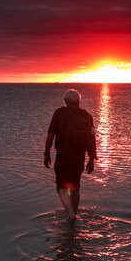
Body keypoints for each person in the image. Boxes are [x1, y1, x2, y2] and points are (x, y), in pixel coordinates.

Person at [44, 89, 98, 223]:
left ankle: (70, 213)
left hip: (63, 155)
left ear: (66, 101)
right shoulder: (87, 116)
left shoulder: (59, 113)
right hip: (79, 157)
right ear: (78, 101)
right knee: (75, 187)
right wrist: (91, 159)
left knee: (61, 186)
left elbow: (51, 134)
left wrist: (46, 153)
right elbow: (92, 138)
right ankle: (73, 215)